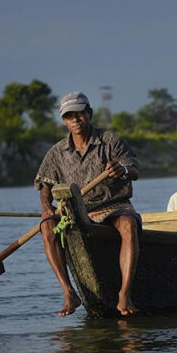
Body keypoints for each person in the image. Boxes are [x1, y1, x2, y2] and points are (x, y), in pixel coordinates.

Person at [34, 91, 141, 317]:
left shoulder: (109, 141)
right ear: (64, 120)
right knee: (46, 226)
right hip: (78, 212)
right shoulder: (57, 152)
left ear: (88, 114)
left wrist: (121, 170)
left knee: (128, 225)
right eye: (69, 116)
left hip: (114, 206)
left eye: (79, 114)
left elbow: (134, 170)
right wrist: (46, 207)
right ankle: (68, 292)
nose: (75, 120)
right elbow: (44, 184)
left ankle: (124, 294)